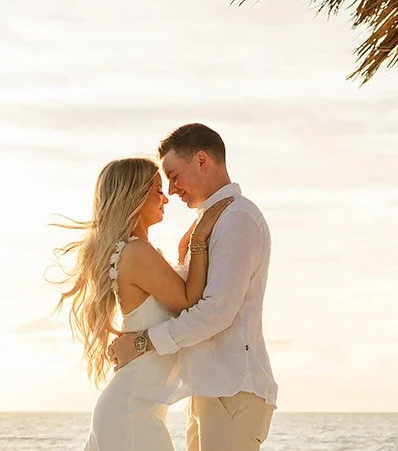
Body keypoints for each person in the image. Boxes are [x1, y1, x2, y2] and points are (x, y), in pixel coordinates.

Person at [108, 124, 276, 451]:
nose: (171, 190)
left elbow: (216, 312)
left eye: (174, 175)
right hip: (210, 390)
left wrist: (142, 342)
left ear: (201, 161)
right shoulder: (209, 222)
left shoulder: (237, 218)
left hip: (232, 392)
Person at [59, 155, 232, 450]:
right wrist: (199, 239)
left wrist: (185, 254)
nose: (165, 198)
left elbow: (173, 294)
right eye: (156, 191)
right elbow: (190, 300)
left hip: (135, 407)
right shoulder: (136, 252)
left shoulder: (135, 252)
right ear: (135, 198)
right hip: (132, 411)